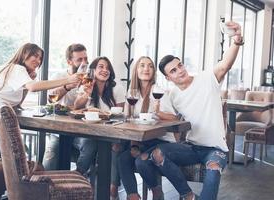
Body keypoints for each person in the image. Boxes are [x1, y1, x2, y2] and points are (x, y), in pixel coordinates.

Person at [135, 21, 244, 200]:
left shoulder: (207, 78)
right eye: (173, 70)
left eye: (180, 66)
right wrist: (160, 114)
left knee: (213, 169)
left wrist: (237, 40)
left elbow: (225, 65)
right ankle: (188, 196)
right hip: (191, 148)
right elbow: (174, 119)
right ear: (168, 77)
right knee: (153, 155)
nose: (180, 71)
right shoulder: (173, 95)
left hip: (215, 149)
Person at [0, 43, 81, 158]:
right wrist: (68, 80)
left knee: (17, 155)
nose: (38, 61)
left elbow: (18, 102)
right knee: (17, 155)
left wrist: (28, 80)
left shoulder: (13, 69)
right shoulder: (17, 69)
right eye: (35, 56)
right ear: (24, 54)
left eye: (40, 58)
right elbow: (34, 87)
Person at [118, 56, 177, 200]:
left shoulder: (158, 91)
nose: (146, 69)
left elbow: (173, 118)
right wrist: (134, 144)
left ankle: (156, 189)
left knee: (140, 160)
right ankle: (133, 195)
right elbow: (128, 119)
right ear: (136, 70)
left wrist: (158, 113)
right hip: (141, 141)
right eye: (142, 65)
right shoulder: (132, 93)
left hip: (160, 141)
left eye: (150, 66)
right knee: (122, 158)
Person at [74, 56, 125, 200]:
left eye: (107, 68)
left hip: (109, 133)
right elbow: (77, 106)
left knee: (113, 147)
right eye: (101, 67)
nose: (105, 70)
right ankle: (79, 178)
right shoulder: (86, 84)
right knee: (90, 144)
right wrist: (87, 94)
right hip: (84, 132)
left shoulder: (117, 88)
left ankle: (111, 188)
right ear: (93, 70)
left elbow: (119, 115)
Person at [43, 43, 90, 171]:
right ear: (69, 61)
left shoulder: (89, 78)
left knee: (89, 145)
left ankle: (77, 178)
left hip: (82, 130)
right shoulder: (59, 77)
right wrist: (68, 86)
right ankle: (46, 188)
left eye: (85, 59)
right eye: (79, 59)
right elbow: (51, 98)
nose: (84, 63)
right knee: (49, 159)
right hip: (59, 129)